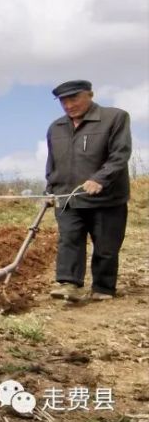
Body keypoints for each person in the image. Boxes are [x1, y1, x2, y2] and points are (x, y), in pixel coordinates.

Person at [45, 80, 131, 302]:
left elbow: (119, 155)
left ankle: (103, 287)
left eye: (73, 98)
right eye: (63, 101)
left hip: (106, 198)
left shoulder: (114, 118)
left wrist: (99, 179)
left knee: (105, 246)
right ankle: (69, 284)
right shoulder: (56, 128)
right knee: (69, 240)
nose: (68, 105)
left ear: (90, 95)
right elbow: (52, 163)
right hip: (68, 197)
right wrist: (50, 189)